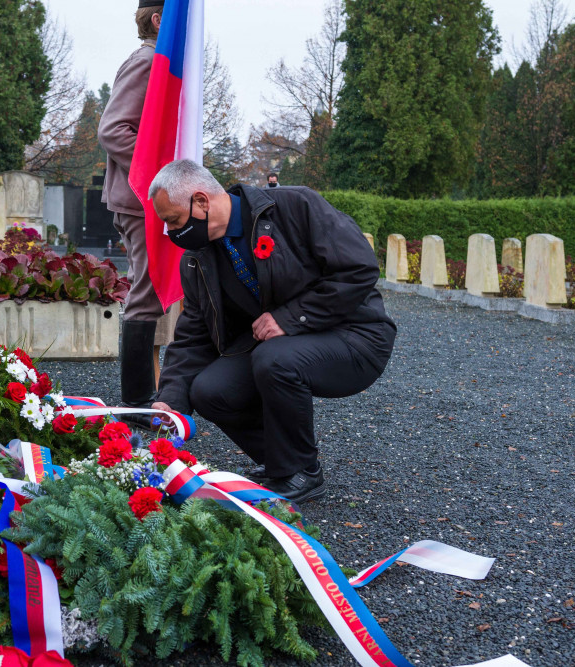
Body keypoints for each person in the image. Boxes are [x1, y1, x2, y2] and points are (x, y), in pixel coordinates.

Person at [147, 159, 396, 504]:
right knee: (209, 390)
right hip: (279, 343)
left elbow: (359, 269)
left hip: (354, 333)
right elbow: (194, 334)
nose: (173, 233)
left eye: (174, 221)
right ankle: (284, 464)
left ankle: (302, 473)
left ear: (201, 202)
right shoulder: (198, 258)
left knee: (274, 358)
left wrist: (292, 318)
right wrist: (171, 401)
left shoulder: (295, 207)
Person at [98, 1, 179, 416]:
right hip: (142, 199)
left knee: (154, 290)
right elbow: (113, 130)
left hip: (154, 197)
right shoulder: (147, 62)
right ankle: (136, 403)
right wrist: (163, 174)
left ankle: (151, 396)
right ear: (158, 20)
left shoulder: (160, 63)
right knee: (146, 292)